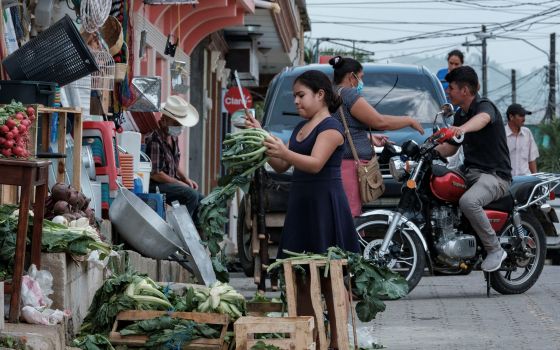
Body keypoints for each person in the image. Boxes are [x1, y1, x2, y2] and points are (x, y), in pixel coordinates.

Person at [245, 70, 359, 347]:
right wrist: (262, 138)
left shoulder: (331, 128)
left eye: (301, 95)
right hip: (301, 206)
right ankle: (313, 338)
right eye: (294, 96)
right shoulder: (300, 128)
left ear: (320, 95)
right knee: (301, 277)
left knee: (331, 279)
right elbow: (283, 166)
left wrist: (284, 152)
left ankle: (337, 341)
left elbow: (315, 163)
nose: (296, 101)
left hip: (325, 206)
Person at [435, 66, 512, 272]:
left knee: (468, 201)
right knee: (437, 179)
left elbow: (482, 120)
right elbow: (450, 148)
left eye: (451, 88)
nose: (447, 92)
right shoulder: (461, 114)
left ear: (465, 90)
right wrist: (428, 150)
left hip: (495, 176)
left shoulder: (484, 107)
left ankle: (495, 249)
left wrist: (461, 128)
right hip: (469, 171)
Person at [328, 55, 425, 217]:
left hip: (340, 163)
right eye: (361, 77)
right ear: (351, 77)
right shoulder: (349, 95)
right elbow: (379, 121)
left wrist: (367, 138)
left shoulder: (334, 94)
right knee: (350, 215)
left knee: (344, 213)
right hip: (349, 165)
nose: (361, 82)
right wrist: (408, 120)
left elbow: (342, 128)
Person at [145, 95, 203, 221]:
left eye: (180, 124)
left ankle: (199, 234)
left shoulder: (173, 138)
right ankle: (184, 229)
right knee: (191, 195)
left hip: (170, 183)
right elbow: (156, 174)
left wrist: (186, 179)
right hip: (156, 185)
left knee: (201, 199)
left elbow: (174, 165)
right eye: (176, 124)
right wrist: (179, 183)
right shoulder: (155, 139)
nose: (179, 127)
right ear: (164, 119)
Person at [505, 103, 539, 176]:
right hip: (507, 180)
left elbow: (531, 159)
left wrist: (536, 179)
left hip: (526, 180)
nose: (524, 119)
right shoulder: (501, 134)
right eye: (521, 116)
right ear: (511, 117)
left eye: (524, 116)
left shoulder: (527, 133)